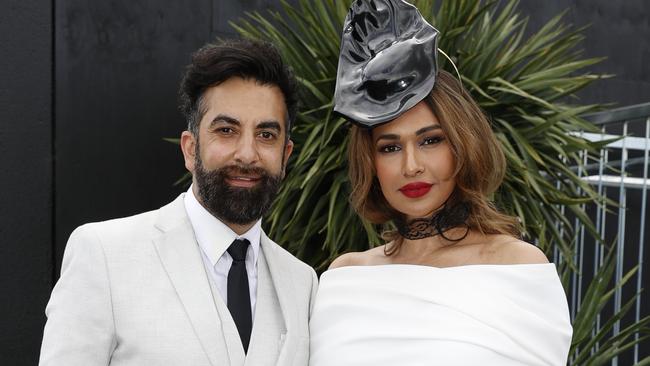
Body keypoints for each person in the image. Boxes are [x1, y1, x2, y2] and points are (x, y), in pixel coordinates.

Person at [309, 1, 573, 365]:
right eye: (390, 147)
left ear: (462, 145)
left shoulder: (516, 267)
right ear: (371, 163)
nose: (411, 165)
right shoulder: (344, 277)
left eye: (430, 140)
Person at [40, 39, 317, 366]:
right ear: (190, 148)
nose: (247, 154)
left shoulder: (303, 282)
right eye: (226, 130)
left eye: (266, 135)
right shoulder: (104, 255)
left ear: (285, 155)